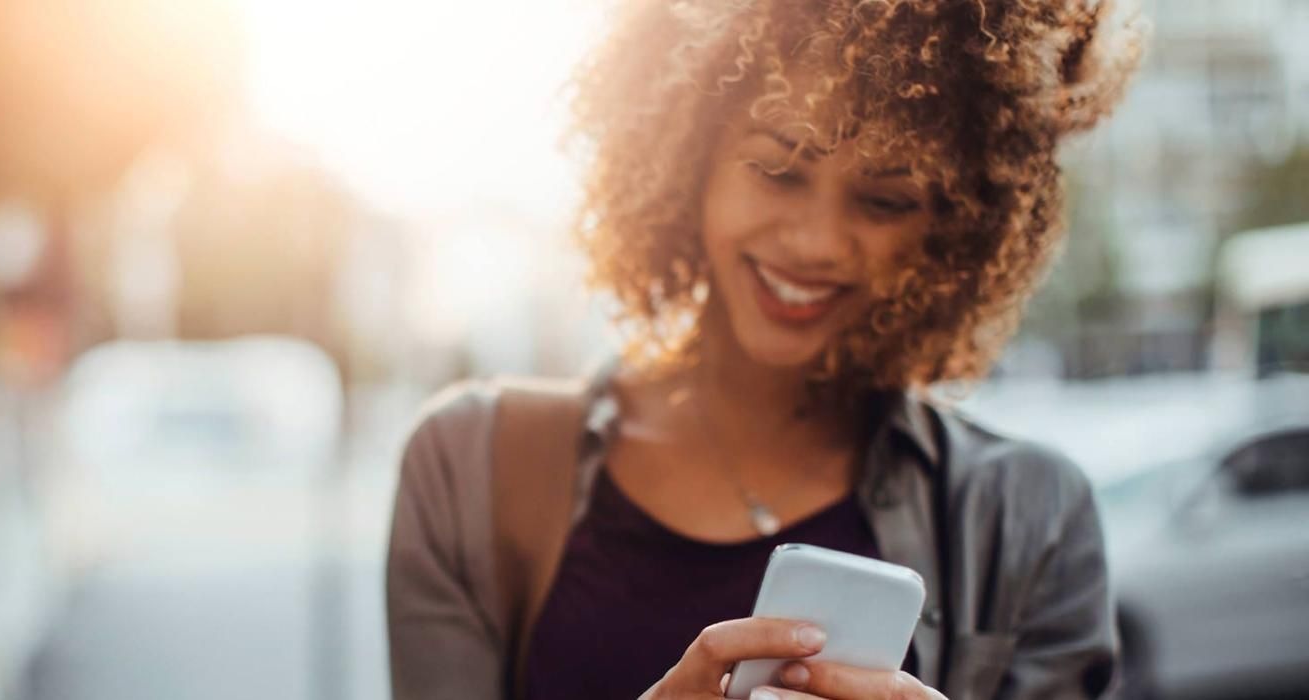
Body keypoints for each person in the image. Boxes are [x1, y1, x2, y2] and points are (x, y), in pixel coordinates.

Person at [386, 0, 1147, 698]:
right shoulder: (472, 469)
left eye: (884, 200)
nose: (816, 243)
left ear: (954, 225)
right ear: (688, 155)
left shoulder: (1032, 518)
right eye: (779, 169)